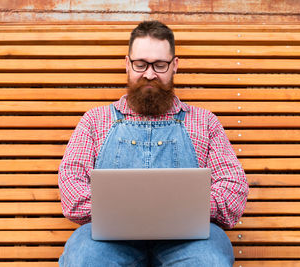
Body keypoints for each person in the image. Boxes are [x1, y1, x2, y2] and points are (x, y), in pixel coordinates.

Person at [58, 20, 249, 266]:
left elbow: (233, 189)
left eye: (160, 65)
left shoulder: (205, 122)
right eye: (141, 64)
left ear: (175, 66)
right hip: (109, 240)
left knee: (210, 260)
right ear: (127, 64)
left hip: (189, 239)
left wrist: (178, 210)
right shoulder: (95, 120)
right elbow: (72, 188)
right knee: (83, 258)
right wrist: (144, 209)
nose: (149, 74)